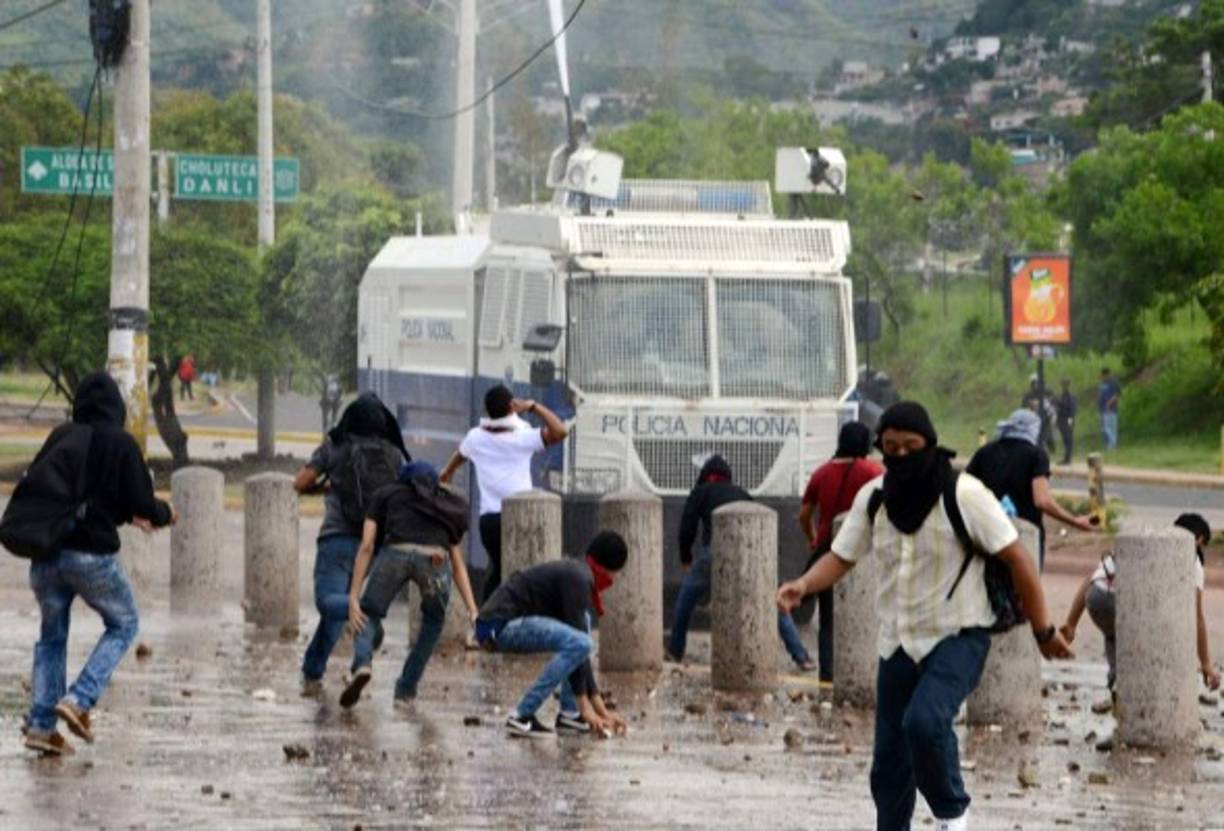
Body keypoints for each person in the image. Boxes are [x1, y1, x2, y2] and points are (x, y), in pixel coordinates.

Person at [777, 401, 1072, 831]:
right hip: (897, 641)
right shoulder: (875, 498)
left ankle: (953, 814)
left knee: (926, 721)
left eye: (910, 446)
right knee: (890, 764)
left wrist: (1044, 631)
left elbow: (1019, 558)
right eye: (890, 447)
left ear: (930, 445)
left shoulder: (964, 494)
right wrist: (804, 584)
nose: (900, 456)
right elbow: (841, 557)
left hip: (959, 634)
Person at [22, 372, 176, 756]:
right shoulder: (120, 443)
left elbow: (78, 494)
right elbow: (141, 501)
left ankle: (42, 725)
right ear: (115, 406)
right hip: (89, 556)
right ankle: (80, 698)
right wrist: (163, 513)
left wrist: (125, 514)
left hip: (46, 556)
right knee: (125, 623)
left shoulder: (61, 436)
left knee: (51, 637)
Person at [294, 392, 409, 696]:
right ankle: (313, 668)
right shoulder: (393, 454)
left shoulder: (336, 446)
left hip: (337, 539)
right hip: (372, 544)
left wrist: (326, 487)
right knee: (342, 607)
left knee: (330, 601)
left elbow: (301, 482)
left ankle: (367, 614)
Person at [341, 461, 479, 710]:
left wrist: (353, 595)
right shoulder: (442, 503)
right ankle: (405, 690)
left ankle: (362, 663)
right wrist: (472, 609)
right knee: (433, 623)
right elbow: (458, 564)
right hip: (434, 559)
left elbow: (367, 545)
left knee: (368, 614)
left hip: (395, 552)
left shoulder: (385, 494)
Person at [665, 454, 816, 671]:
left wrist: (686, 558)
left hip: (714, 552)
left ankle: (675, 650)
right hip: (751, 553)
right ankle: (801, 656)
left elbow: (687, 527)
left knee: (686, 599)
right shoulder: (742, 493)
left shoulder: (701, 491)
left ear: (705, 476)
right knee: (773, 602)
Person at [475, 531, 629, 739]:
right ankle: (521, 715)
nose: (613, 580)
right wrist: (587, 708)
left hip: (504, 623)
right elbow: (580, 644)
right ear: (608, 568)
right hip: (498, 627)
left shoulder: (579, 573)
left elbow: (580, 651)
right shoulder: (579, 579)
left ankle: (570, 713)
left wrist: (601, 710)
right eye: (616, 573)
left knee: (582, 630)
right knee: (580, 640)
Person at [1060, 513, 1220, 693]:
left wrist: (1071, 623)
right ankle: (1150, 692)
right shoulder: (1190, 559)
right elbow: (1196, 616)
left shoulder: (1145, 542)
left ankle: (1118, 685)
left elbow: (1093, 578)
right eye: (1202, 546)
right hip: (1124, 603)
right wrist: (1206, 663)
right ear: (1198, 539)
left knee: (1115, 634)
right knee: (1154, 638)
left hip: (1095, 597)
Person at [439, 385, 567, 603]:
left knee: (499, 569)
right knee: (514, 572)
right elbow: (560, 431)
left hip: (488, 521)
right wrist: (533, 406)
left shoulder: (475, 437)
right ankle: (490, 620)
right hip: (518, 517)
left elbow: (459, 456)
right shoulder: (523, 436)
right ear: (512, 406)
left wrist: (447, 473)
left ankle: (488, 620)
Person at [797, 422, 883, 682]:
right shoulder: (874, 472)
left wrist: (813, 538)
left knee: (828, 619)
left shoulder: (822, 473)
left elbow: (804, 514)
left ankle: (827, 676)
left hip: (828, 551)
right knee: (866, 616)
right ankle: (863, 675)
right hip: (863, 553)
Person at [966, 409, 1097, 570]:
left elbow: (965, 490)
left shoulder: (984, 452)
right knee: (1026, 592)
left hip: (988, 533)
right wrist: (1075, 521)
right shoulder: (1036, 455)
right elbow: (1042, 500)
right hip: (1024, 536)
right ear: (1033, 429)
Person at [1020, 375, 1056, 455]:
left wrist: (1047, 404)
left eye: (1037, 383)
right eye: (1034, 383)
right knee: (1036, 436)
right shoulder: (1029, 394)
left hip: (1047, 417)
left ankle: (1050, 443)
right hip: (1033, 418)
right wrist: (1031, 404)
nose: (1036, 385)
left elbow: (1053, 402)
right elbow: (1023, 405)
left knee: (1048, 434)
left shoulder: (1047, 392)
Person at [1098, 367, 1121, 450]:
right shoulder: (1102, 384)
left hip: (1110, 410)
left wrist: (1109, 403)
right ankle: (1106, 445)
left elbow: (1117, 395)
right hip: (1102, 410)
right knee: (1103, 429)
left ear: (1107, 374)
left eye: (1104, 375)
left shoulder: (1113, 383)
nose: (1102, 377)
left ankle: (1112, 447)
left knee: (1110, 429)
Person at [1055, 379, 1076, 466]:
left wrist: (1070, 421)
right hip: (1061, 420)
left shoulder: (1070, 397)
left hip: (1067, 420)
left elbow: (1072, 410)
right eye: (1063, 385)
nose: (1064, 387)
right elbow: (1059, 407)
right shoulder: (1062, 396)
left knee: (1068, 439)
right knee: (1065, 439)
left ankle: (1068, 458)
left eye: (1065, 384)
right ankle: (1066, 458)